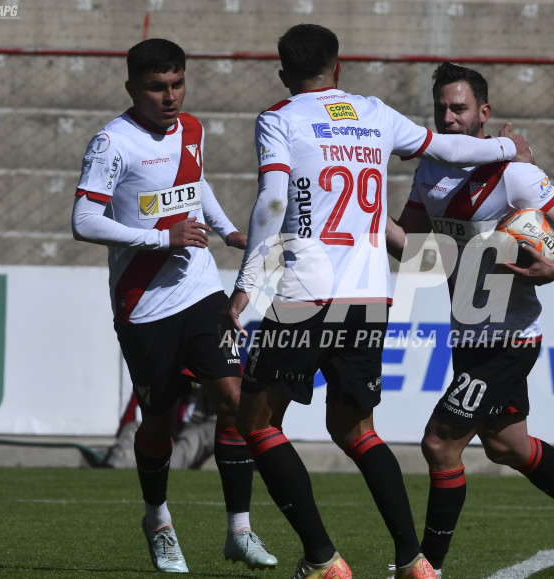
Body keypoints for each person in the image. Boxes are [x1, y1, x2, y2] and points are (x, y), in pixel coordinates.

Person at [221, 24, 529, 579]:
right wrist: (508, 146)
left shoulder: (280, 118)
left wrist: (248, 281)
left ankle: (322, 558)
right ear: (337, 69)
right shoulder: (371, 112)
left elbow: (271, 197)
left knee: (258, 422)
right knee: (356, 431)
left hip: (305, 295)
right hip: (369, 296)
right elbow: (450, 148)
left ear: (284, 74)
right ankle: (415, 562)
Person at [386, 61, 554, 579]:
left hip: (509, 337)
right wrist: (365, 214)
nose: (449, 118)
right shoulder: (428, 169)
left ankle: (427, 569)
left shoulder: (513, 173)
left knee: (439, 442)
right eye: (441, 109)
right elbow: (410, 249)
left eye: (459, 108)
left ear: (483, 113)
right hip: (467, 332)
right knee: (506, 444)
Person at [71, 38, 277, 573]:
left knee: (234, 400)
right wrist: (164, 238)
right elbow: (84, 221)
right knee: (158, 421)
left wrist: (228, 230)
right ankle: (158, 520)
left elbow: (193, 183)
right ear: (132, 89)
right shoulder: (112, 144)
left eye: (177, 83)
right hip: (143, 303)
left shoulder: (192, 128)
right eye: (157, 87)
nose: (170, 96)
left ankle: (240, 530)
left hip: (200, 289)